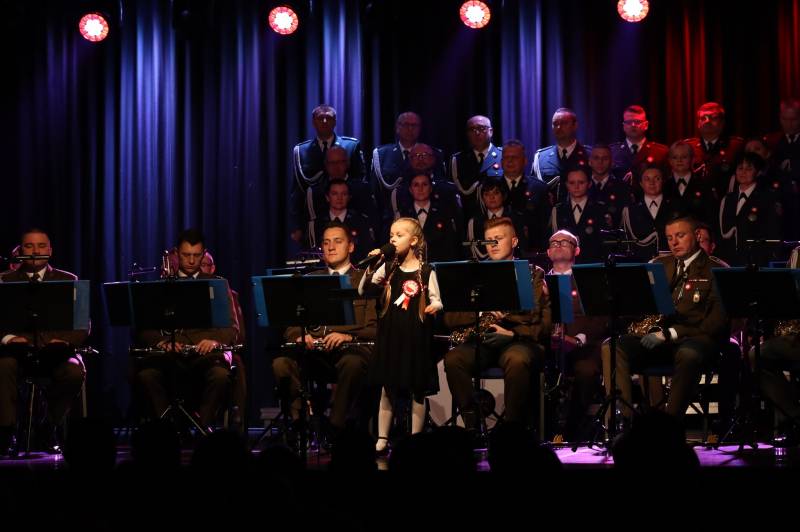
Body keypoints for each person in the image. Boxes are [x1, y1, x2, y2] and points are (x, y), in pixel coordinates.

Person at [605, 215, 729, 422]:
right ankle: (624, 422)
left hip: (696, 341)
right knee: (613, 346)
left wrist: (670, 333)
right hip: (663, 341)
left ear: (697, 236)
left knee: (688, 354)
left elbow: (715, 323)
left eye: (680, 235)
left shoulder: (716, 269)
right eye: (669, 238)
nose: (674, 242)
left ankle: (670, 425)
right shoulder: (660, 265)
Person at [444, 217, 551, 433]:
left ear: (514, 242)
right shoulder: (473, 274)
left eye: (498, 239)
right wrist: (480, 312)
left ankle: (512, 430)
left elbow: (540, 323)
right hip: (484, 341)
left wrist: (512, 334)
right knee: (454, 359)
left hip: (519, 341)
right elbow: (450, 318)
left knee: (516, 359)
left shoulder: (532, 273)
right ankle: (473, 425)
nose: (492, 245)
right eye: (488, 240)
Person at [272, 221, 376, 435]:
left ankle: (335, 427)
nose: (331, 247)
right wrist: (301, 336)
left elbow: (374, 328)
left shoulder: (366, 280)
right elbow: (292, 326)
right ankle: (301, 421)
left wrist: (347, 336)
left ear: (351, 246)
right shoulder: (309, 280)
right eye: (326, 243)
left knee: (353, 363)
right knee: (281, 364)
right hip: (314, 353)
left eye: (338, 241)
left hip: (350, 351)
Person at [134, 229, 239, 429]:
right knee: (147, 376)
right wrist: (162, 341)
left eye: (196, 255)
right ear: (176, 253)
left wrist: (214, 341)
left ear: (203, 253)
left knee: (220, 376)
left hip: (205, 357)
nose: (191, 261)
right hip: (170, 357)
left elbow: (232, 328)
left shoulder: (218, 284)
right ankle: (167, 429)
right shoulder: (161, 286)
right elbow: (144, 329)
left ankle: (202, 429)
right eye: (186, 255)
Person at [0, 228, 88, 456]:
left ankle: (48, 425)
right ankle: (6, 432)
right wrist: (9, 338)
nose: (35, 251)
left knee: (74, 371)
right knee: (3, 366)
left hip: (56, 352)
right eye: (29, 246)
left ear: (50, 250)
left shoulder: (70, 280)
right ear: (20, 250)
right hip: (18, 352)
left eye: (41, 246)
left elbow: (83, 324)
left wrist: (63, 341)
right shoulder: (4, 280)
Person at [359, 217, 442, 454]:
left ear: (413, 240)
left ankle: (415, 439)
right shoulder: (388, 268)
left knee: (418, 390)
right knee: (388, 389)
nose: (393, 239)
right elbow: (363, 289)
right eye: (391, 235)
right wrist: (372, 264)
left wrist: (435, 306)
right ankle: (382, 437)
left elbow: (437, 299)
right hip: (390, 337)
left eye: (399, 235)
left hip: (416, 338)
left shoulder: (426, 271)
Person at [546, 230, 607, 442]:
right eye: (554, 242)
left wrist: (578, 339)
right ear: (548, 252)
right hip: (547, 346)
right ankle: (542, 428)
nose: (558, 244)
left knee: (587, 370)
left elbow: (601, 316)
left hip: (583, 346)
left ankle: (572, 431)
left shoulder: (588, 279)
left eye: (565, 242)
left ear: (577, 250)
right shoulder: (538, 281)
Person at [290, 104, 366, 245]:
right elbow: (297, 191)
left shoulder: (350, 146)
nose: (324, 121)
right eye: (320, 118)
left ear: (335, 122)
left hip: (348, 212)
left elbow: (359, 181)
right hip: (316, 215)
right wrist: (296, 225)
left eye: (329, 118)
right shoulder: (302, 151)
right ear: (313, 122)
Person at [718, 152, 783, 266]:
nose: (743, 172)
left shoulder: (766, 198)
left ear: (758, 172)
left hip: (756, 261)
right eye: (740, 168)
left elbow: (773, 231)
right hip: (729, 261)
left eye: (749, 169)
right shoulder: (727, 199)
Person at [549, 168, 612, 263]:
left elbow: (606, 243)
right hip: (566, 265)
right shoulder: (558, 210)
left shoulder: (600, 209)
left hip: (594, 264)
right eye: (572, 183)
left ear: (589, 184)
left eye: (581, 182)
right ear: (566, 184)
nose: (576, 187)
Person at [531, 107, 592, 203]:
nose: (559, 127)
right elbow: (534, 189)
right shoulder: (541, 158)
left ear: (575, 125)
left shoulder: (591, 155)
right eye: (555, 124)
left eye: (564, 123)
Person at [621, 165, 680, 261]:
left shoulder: (675, 208)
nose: (652, 183)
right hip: (641, 264)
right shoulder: (630, 211)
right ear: (641, 183)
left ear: (663, 181)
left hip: (671, 263)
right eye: (647, 179)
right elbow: (626, 243)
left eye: (657, 178)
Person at [449, 115, 503, 219]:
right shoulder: (458, 160)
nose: (477, 132)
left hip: (499, 218)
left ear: (491, 131)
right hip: (468, 219)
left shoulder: (503, 156)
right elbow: (453, 195)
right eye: (472, 129)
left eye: (481, 128)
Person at [609, 105, 669, 187]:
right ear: (623, 126)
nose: (633, 125)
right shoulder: (612, 152)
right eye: (629, 122)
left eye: (637, 122)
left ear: (646, 125)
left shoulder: (660, 152)